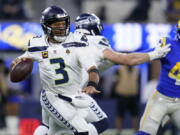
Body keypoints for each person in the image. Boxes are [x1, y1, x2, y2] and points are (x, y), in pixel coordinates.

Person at [34, 12, 172, 135]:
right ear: (94, 27)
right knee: (99, 124)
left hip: (51, 91)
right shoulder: (97, 42)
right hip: (70, 96)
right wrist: (154, 54)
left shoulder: (67, 39)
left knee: (47, 125)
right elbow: (127, 59)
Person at [11, 6, 104, 135]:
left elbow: (92, 69)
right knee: (82, 130)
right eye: (56, 25)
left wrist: (92, 84)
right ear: (46, 26)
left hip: (74, 95)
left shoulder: (77, 42)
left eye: (63, 23)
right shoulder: (37, 44)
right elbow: (23, 60)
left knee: (57, 132)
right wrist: (18, 63)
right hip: (53, 97)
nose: (61, 27)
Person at [134, 20, 180, 135]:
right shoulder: (169, 45)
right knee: (146, 133)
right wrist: (119, 58)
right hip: (161, 99)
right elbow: (143, 56)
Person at [114, 66, 139, 133]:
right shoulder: (120, 69)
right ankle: (118, 131)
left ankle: (136, 131)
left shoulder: (136, 70)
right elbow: (115, 80)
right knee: (120, 114)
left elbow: (137, 82)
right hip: (122, 95)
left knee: (135, 114)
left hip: (133, 96)